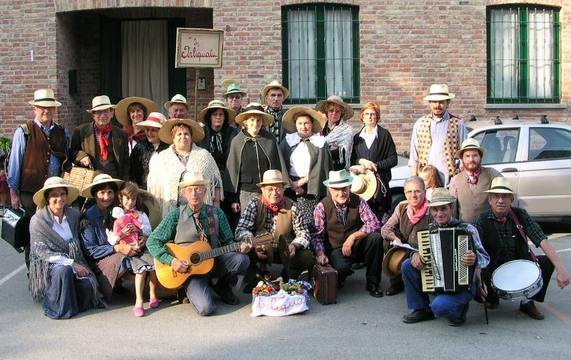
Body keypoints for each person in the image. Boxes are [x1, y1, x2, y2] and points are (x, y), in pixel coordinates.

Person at [147, 172, 250, 316]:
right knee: (206, 309)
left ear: (205, 191)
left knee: (241, 260)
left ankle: (222, 285)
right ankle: (187, 288)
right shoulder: (175, 215)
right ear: (184, 193)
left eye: (198, 189)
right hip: (189, 271)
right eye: (189, 190)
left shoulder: (217, 213)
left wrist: (240, 247)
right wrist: (172, 261)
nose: (194, 193)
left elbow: (229, 242)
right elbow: (152, 241)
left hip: (214, 262)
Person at [475, 177, 570, 320]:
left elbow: (542, 240)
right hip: (493, 266)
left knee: (546, 262)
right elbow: (477, 251)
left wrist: (561, 270)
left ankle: (527, 302)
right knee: (479, 278)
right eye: (496, 196)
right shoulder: (481, 220)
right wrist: (478, 279)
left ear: (511, 199)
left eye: (505, 196)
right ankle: (492, 297)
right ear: (490, 200)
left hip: (519, 263)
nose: (500, 200)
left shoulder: (520, 214)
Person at [401, 188, 489, 326]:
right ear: (431, 211)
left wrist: (474, 259)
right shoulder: (429, 230)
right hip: (438, 281)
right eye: (435, 210)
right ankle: (422, 309)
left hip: (465, 285)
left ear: (451, 208)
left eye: (443, 209)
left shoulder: (467, 229)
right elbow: (416, 251)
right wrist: (415, 255)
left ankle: (459, 310)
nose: (439, 213)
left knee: (439, 307)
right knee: (407, 265)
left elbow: (484, 257)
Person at [7, 89, 69, 267]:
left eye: (49, 108)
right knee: (32, 232)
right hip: (30, 191)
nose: (45, 111)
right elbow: (15, 164)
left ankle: (51, 267)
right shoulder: (24, 131)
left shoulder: (61, 132)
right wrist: (14, 192)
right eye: (41, 108)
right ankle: (33, 269)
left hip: (54, 192)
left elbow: (66, 158)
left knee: (53, 230)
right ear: (34, 109)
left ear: (54, 110)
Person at [28, 177, 101, 319]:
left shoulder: (73, 215)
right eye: (54, 195)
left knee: (87, 287)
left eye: (62, 194)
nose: (59, 198)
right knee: (63, 271)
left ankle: (71, 299)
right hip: (50, 264)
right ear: (47, 198)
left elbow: (84, 233)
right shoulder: (38, 220)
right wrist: (71, 264)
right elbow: (41, 252)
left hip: (75, 259)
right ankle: (56, 307)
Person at [235, 170, 315, 290]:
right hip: (260, 250)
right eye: (270, 189)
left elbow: (304, 233)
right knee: (243, 248)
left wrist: (295, 245)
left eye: (278, 188)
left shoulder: (293, 206)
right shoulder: (254, 204)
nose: (274, 192)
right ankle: (256, 274)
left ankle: (289, 273)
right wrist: (252, 243)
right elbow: (241, 229)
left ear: (283, 189)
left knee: (307, 256)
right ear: (262, 190)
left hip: (284, 250)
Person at [313, 170, 384, 297]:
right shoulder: (322, 206)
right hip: (335, 248)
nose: (341, 193)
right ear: (330, 189)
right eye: (336, 189)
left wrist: (353, 237)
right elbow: (317, 235)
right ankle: (341, 275)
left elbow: (374, 223)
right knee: (340, 268)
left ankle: (373, 283)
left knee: (376, 238)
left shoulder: (359, 201)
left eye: (344, 189)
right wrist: (320, 254)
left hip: (356, 244)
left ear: (350, 187)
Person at [147, 118, 222, 218]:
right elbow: (154, 188)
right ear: (173, 138)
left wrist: (216, 208)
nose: (183, 137)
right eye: (179, 134)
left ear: (191, 137)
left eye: (186, 134)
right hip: (171, 212)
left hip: (200, 212)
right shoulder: (162, 158)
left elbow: (216, 182)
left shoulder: (204, 156)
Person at [224, 103, 289, 215]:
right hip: (246, 192)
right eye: (252, 120)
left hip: (268, 191)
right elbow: (232, 171)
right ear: (245, 122)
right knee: (248, 224)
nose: (255, 123)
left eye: (258, 120)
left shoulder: (269, 139)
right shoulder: (237, 141)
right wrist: (233, 199)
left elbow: (277, 165)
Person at [107, 181, 159, 317]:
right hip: (128, 249)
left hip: (142, 245)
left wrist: (140, 230)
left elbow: (149, 230)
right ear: (121, 198)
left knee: (154, 265)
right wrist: (122, 233)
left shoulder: (140, 214)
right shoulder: (116, 215)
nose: (130, 202)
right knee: (141, 270)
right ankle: (139, 300)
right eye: (127, 198)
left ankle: (153, 294)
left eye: (134, 199)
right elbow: (113, 238)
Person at [80, 174, 134, 302]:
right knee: (126, 261)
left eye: (110, 192)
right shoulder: (88, 217)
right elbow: (91, 251)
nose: (106, 197)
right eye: (102, 193)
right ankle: (104, 285)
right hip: (98, 261)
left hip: (116, 251)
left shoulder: (115, 211)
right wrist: (117, 248)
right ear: (94, 195)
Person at [408, 84, 467, 186]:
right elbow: (414, 158)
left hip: (451, 183)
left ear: (447, 103)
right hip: (425, 184)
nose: (437, 105)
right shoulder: (420, 124)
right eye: (434, 102)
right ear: (429, 103)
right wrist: (415, 183)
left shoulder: (458, 123)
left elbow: (465, 154)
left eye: (441, 102)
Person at [380, 176, 430, 296]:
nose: (413, 195)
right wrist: (395, 238)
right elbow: (385, 229)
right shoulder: (402, 206)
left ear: (425, 191)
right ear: (404, 193)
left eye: (417, 191)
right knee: (387, 241)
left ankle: (426, 283)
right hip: (406, 248)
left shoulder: (432, 210)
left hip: (424, 252)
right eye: (409, 191)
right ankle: (396, 283)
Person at [351, 101, 398, 223]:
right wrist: (361, 161)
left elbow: (393, 159)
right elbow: (351, 160)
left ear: (377, 116)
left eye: (373, 114)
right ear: (362, 116)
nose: (370, 117)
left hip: (380, 187)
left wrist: (376, 166)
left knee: (381, 220)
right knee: (364, 220)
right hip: (363, 186)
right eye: (367, 114)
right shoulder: (357, 138)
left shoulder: (384, 135)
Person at [70, 95, 130, 180]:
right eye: (98, 112)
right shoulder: (81, 132)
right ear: (93, 115)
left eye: (106, 111)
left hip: (114, 180)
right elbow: (72, 152)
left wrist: (124, 181)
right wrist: (81, 156)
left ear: (112, 113)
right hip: (90, 180)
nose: (102, 115)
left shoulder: (121, 134)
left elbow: (126, 162)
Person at [280, 106, 330, 207]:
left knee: (308, 220)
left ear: (312, 125)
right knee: (291, 218)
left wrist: (300, 183)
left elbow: (321, 168)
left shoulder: (319, 142)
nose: (303, 126)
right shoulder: (288, 140)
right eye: (300, 123)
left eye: (306, 123)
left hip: (312, 186)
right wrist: (292, 184)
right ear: (296, 125)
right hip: (289, 186)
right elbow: (281, 163)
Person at [449, 138, 501, 223]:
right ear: (462, 159)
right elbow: (453, 211)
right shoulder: (455, 180)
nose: (471, 159)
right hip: (465, 230)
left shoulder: (492, 174)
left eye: (475, 155)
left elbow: (505, 196)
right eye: (467, 156)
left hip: (489, 229)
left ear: (480, 157)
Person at [129, 112, 169, 189]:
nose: (149, 133)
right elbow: (132, 172)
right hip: (143, 192)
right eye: (147, 129)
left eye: (153, 130)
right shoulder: (139, 147)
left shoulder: (169, 149)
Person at [316, 95, 355, 171]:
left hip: (339, 170)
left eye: (337, 111)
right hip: (322, 169)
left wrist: (323, 150)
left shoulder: (347, 130)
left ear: (341, 113)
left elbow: (344, 153)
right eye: (331, 110)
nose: (334, 113)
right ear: (327, 112)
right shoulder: (319, 128)